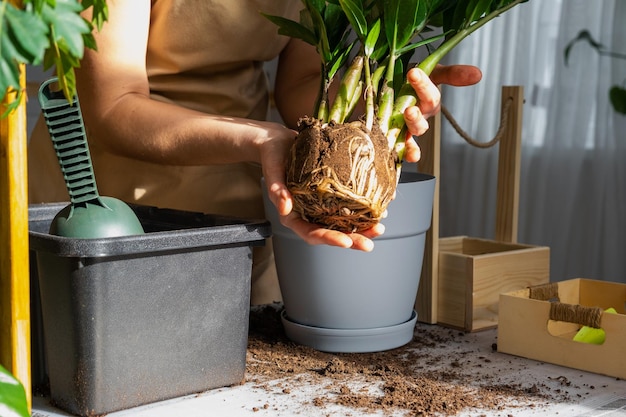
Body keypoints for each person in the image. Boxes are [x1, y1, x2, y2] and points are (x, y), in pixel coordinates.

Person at [27, 1, 482, 304]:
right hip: (107, 212)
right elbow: (112, 105)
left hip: (241, 218)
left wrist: (383, 105)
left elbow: (302, 87)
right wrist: (261, 139)